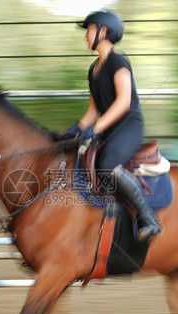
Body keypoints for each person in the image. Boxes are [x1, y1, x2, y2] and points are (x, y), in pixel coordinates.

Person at [60, 10, 161, 243]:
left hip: (128, 126)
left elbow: (123, 102)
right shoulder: (93, 69)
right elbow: (93, 110)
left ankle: (148, 217)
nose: (86, 35)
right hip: (108, 128)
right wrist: (75, 129)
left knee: (106, 165)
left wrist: (94, 129)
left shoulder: (119, 61)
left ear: (103, 32)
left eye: (90, 30)